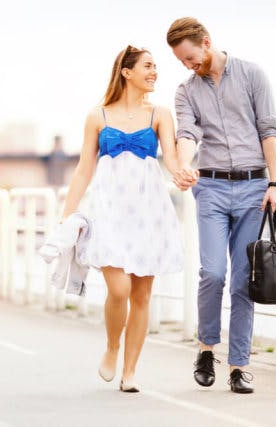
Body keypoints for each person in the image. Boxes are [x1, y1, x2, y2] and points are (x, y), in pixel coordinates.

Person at [60, 45, 190, 392]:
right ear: (126, 71)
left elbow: (173, 161)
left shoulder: (160, 114)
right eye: (148, 66)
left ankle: (130, 371)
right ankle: (112, 346)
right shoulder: (97, 116)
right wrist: (67, 216)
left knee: (142, 296)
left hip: (148, 212)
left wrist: (183, 174)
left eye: (156, 67)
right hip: (110, 213)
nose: (154, 72)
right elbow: (83, 169)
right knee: (118, 288)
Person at [167, 17, 276, 394]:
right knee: (213, 273)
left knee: (243, 280)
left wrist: (275, 184)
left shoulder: (252, 75)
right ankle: (205, 348)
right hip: (212, 188)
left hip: (253, 188)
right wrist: (183, 166)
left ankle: (238, 366)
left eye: (190, 57)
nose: (188, 65)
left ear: (206, 41)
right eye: (181, 61)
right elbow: (187, 133)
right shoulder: (186, 92)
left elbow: (268, 130)